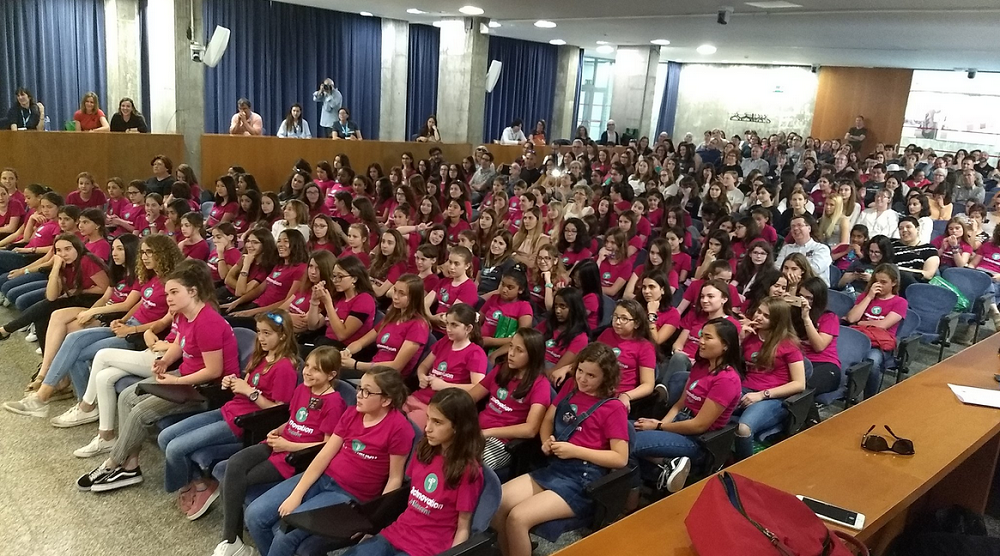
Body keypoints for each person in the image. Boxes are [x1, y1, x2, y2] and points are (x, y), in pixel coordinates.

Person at [76, 260, 240, 492]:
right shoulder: (184, 314)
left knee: (141, 412)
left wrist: (175, 380)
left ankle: (112, 463)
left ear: (193, 292)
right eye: (167, 293)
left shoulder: (208, 322)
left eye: (174, 292)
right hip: (184, 378)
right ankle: (130, 465)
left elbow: (214, 371)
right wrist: (165, 361)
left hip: (206, 389)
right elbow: (180, 344)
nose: (169, 298)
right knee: (128, 396)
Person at [245, 366, 414, 556]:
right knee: (254, 514)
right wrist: (297, 494)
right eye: (360, 388)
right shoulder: (352, 414)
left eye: (367, 391)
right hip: (324, 478)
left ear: (386, 400)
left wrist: (373, 521)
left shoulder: (399, 428)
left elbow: (394, 479)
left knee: (286, 531)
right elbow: (325, 454)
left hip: (349, 496)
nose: (359, 395)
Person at [158, 311, 299, 520]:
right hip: (229, 409)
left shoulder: (285, 367)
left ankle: (199, 486)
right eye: (259, 332)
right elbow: (246, 386)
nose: (261, 338)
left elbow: (276, 411)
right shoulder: (260, 356)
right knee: (165, 437)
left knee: (176, 448)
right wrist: (233, 384)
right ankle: (198, 482)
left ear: (283, 336)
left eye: (267, 333)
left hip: (243, 422)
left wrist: (249, 391)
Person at [492, 343, 629, 556]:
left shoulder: (614, 408)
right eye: (580, 371)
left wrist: (575, 451)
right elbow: (548, 419)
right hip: (556, 467)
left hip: (582, 479)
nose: (582, 379)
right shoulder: (571, 387)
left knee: (518, 518)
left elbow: (620, 458)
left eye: (591, 376)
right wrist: (547, 440)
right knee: (499, 501)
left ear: (606, 377)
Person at [211, 347, 347, 556]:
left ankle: (231, 540)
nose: (308, 372)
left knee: (236, 480)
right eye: (307, 366)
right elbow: (292, 421)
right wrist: (277, 430)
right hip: (280, 442)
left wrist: (289, 446)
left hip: (296, 456)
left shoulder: (334, 402)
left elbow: (326, 447)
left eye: (316, 370)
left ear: (331, 375)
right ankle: (232, 540)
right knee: (235, 463)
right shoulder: (303, 389)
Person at [338, 388, 485, 556]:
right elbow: (406, 497)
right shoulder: (424, 450)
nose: (427, 428)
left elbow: (463, 527)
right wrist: (373, 524)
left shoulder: (467, 470)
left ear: (458, 427)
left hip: (425, 548)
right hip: (396, 533)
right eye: (428, 418)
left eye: (437, 422)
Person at [633, 318, 743, 492]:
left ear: (725, 345)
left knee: (628, 442)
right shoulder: (701, 366)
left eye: (708, 337)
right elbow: (679, 405)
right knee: (619, 430)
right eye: (701, 335)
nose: (701, 341)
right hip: (678, 423)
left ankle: (659, 472)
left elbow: (700, 425)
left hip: (696, 440)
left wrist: (660, 427)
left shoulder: (727, 379)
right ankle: (664, 468)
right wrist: (657, 426)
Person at [733, 297, 805, 460]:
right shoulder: (750, 334)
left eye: (766, 316)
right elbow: (730, 366)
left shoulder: (789, 345)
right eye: (759, 312)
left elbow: (799, 384)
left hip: (772, 398)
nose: (758, 317)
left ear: (777, 321)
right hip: (745, 389)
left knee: (743, 428)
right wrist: (739, 340)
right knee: (710, 407)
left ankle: (744, 469)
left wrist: (761, 395)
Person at [405, 303, 487, 428]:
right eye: (447, 323)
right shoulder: (444, 342)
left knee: (406, 426)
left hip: (440, 408)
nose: (448, 328)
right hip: (419, 397)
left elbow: (477, 388)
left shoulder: (475, 353)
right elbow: (424, 366)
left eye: (454, 325)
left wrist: (445, 386)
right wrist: (421, 376)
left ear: (468, 328)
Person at [341, 274, 431, 379]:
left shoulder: (418, 325)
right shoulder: (391, 317)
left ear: (414, 298)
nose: (395, 297)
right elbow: (360, 343)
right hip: (372, 370)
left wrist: (356, 365)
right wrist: (346, 352)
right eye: (395, 291)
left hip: (388, 378)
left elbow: (396, 366)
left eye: (402, 294)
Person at [846, 263, 907, 399]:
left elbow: (883, 325)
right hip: (858, 338)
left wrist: (862, 323)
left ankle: (869, 398)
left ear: (894, 282)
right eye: (876, 281)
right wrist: (869, 297)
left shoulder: (900, 302)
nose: (879, 285)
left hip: (879, 344)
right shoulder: (865, 297)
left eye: (884, 282)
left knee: (872, 362)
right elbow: (851, 318)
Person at [794, 277, 841, 396]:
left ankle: (811, 416)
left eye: (809, 298)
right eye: (801, 296)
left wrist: (806, 318)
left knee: (802, 391)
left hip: (825, 364)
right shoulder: (793, 314)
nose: (804, 301)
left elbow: (819, 346)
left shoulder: (829, 317)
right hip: (799, 362)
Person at [775, 213, 832, 285]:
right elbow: (778, 268)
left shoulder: (821, 249)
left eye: (799, 225)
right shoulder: (786, 248)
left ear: (809, 228)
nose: (795, 228)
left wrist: (792, 275)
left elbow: (815, 270)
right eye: (793, 226)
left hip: (815, 289)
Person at [892, 217, 939, 293]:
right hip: (891, 280)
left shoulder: (929, 249)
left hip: (915, 282)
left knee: (905, 276)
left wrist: (899, 269)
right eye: (901, 228)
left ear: (917, 229)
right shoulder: (891, 244)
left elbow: (928, 274)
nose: (904, 230)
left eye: (908, 227)